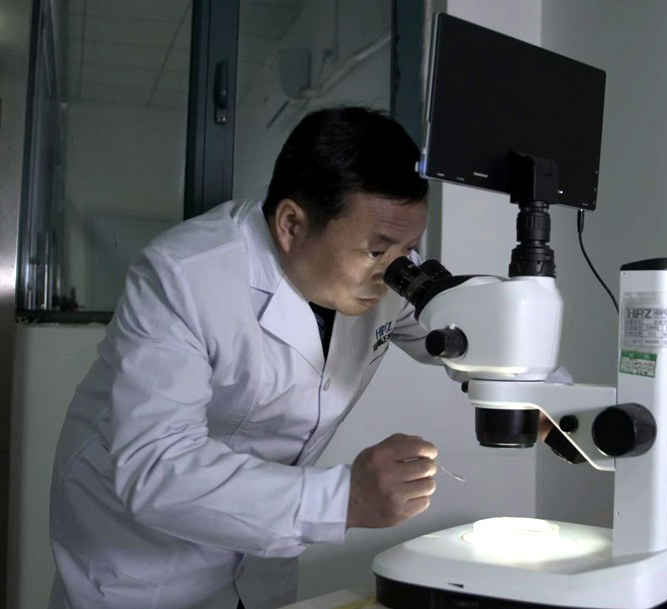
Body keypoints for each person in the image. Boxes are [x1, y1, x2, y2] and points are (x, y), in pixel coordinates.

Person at [48, 107, 445, 609]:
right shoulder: (184, 276)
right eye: (377, 251)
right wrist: (347, 498)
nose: (395, 272)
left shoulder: (383, 274)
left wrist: (527, 388)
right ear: (291, 224)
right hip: (144, 561)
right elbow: (157, 465)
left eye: (409, 249)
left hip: (259, 561)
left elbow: (454, 334)